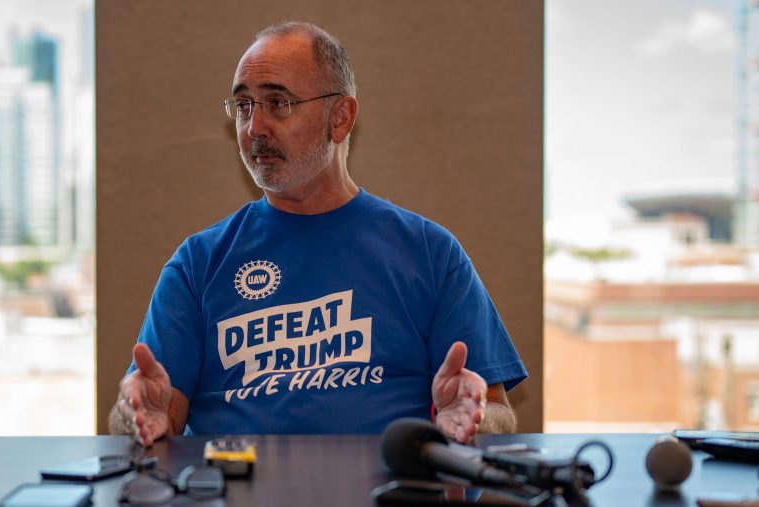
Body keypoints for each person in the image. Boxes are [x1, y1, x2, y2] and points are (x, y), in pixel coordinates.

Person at [109, 21, 527, 445]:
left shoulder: (429, 253)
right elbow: (153, 415)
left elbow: (495, 412)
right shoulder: (198, 263)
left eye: (277, 102)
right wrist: (138, 414)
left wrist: (471, 416)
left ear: (340, 117)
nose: (254, 128)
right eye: (243, 106)